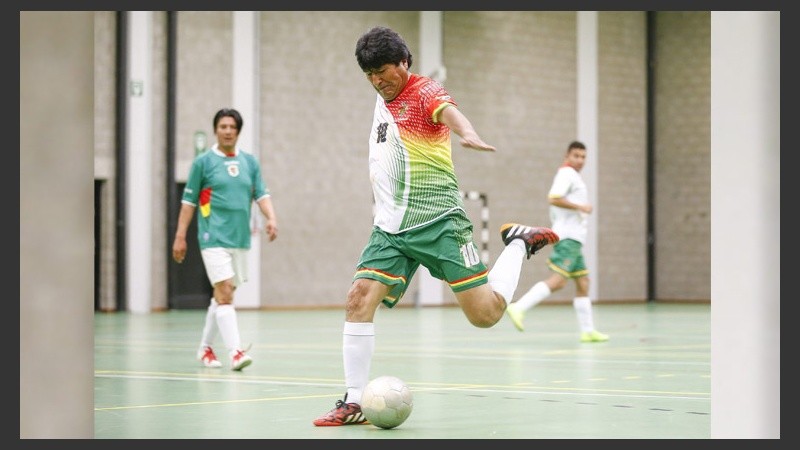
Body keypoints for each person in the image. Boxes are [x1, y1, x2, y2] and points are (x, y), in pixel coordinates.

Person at [312, 26, 559, 427]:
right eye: (369, 74)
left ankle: (518, 244)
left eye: (383, 71)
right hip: (390, 228)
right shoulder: (382, 98)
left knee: (485, 315)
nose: (377, 80)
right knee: (358, 298)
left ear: (403, 63)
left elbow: (447, 111)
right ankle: (353, 401)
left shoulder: (423, 90)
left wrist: (469, 132)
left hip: (439, 222)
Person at [172, 108, 278, 371]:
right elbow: (188, 203)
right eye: (223, 126)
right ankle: (236, 353)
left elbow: (261, 194)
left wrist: (271, 218)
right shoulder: (203, 163)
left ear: (238, 131)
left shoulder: (250, 163)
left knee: (221, 296)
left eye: (232, 127)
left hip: (240, 238)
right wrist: (180, 236)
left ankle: (205, 349)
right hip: (212, 236)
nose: (228, 131)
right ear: (215, 130)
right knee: (226, 293)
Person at [505, 140, 609, 343]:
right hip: (568, 238)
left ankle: (587, 331)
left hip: (575, 240)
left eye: (583, 156)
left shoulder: (573, 176)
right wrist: (581, 207)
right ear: (567, 156)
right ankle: (519, 307)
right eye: (576, 156)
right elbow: (554, 198)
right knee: (559, 280)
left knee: (583, 282)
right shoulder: (567, 174)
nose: (580, 160)